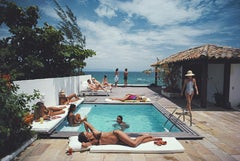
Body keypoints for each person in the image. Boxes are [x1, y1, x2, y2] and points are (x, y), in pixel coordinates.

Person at [78, 120, 167, 148]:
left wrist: (87, 130)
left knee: (134, 144)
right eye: (87, 133)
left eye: (87, 132)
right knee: (136, 142)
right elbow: (83, 145)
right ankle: (154, 139)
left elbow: (85, 122)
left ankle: (145, 135)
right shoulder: (92, 142)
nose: (88, 133)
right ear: (87, 138)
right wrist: (85, 141)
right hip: (118, 142)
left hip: (117, 134)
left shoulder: (95, 133)